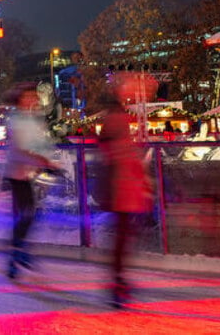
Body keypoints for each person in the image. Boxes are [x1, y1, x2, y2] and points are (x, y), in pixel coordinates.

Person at [97, 73, 154, 308]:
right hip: (121, 185)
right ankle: (117, 282)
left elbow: (111, 148)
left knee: (125, 234)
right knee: (124, 235)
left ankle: (118, 280)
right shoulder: (118, 118)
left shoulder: (117, 116)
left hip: (123, 184)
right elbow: (112, 149)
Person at [3, 83, 59, 280]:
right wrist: (43, 161)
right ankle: (16, 251)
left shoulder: (32, 119)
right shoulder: (16, 119)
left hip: (28, 172)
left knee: (28, 213)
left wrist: (47, 159)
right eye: (29, 96)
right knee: (27, 213)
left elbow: (41, 143)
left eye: (34, 97)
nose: (33, 100)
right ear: (21, 99)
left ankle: (16, 253)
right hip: (17, 172)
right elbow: (20, 148)